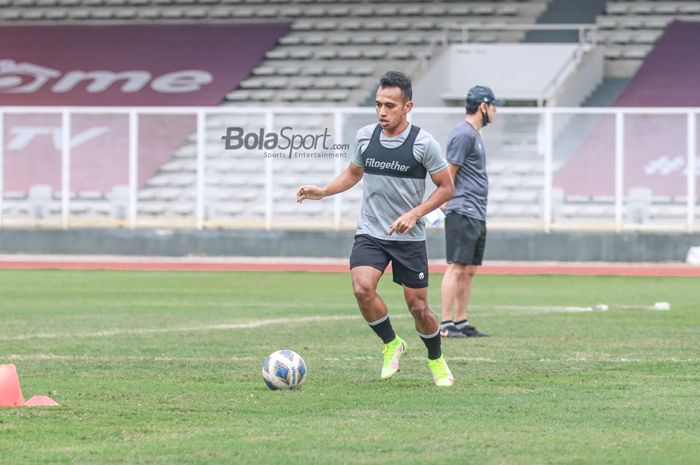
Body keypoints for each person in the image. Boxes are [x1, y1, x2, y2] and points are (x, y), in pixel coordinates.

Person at [296, 71, 455, 386]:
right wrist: (324, 191)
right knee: (361, 288)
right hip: (371, 231)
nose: (382, 112)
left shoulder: (424, 143)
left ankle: (436, 359)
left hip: (408, 236)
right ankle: (392, 343)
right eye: (378, 105)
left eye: (390, 106)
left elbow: (445, 188)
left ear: (407, 107)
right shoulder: (365, 136)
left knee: (419, 307)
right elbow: (353, 173)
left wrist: (416, 213)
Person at [439, 85, 503, 338]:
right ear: (483, 106)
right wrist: (444, 203)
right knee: (457, 266)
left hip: (475, 211)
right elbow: (449, 172)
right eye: (494, 106)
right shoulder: (463, 134)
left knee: (469, 268)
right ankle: (445, 324)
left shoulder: (473, 134)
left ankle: (461, 320)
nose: (496, 111)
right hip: (462, 209)